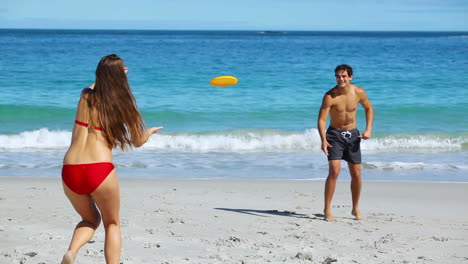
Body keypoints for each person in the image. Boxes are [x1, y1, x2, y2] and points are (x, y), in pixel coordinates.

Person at [61, 54, 163, 264]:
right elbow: (136, 141)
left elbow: (100, 84)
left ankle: (71, 252)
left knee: (89, 219)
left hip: (70, 170)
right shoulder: (123, 105)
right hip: (99, 169)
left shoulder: (84, 96)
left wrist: (112, 73)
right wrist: (149, 132)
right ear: (119, 75)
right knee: (112, 224)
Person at [317, 64, 374, 222]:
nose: (340, 79)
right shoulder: (330, 96)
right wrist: (323, 139)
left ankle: (355, 208)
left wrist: (368, 129)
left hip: (353, 136)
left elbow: (369, 109)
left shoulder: (359, 92)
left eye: (343, 76)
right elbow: (321, 120)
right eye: (338, 76)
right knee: (334, 171)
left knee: (356, 174)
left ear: (350, 77)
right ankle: (327, 209)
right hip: (334, 135)